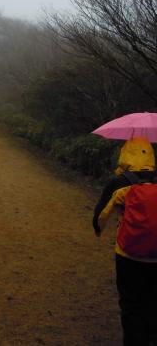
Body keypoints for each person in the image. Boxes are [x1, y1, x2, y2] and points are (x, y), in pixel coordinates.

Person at [93, 137, 157, 346]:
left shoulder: (119, 183)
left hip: (128, 253)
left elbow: (100, 216)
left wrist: (98, 229)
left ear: (124, 155)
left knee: (130, 303)